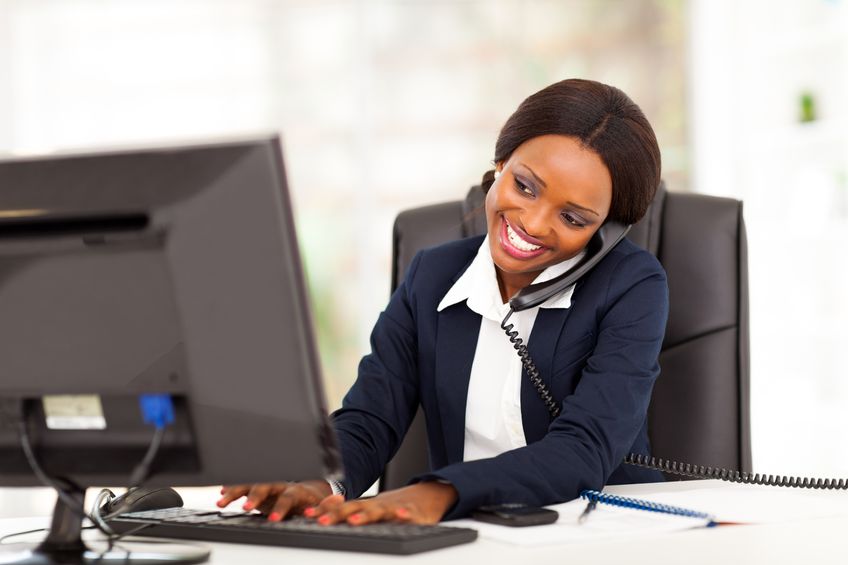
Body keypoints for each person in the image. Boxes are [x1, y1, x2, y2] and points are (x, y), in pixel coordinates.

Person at [217, 78, 669, 526]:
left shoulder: (632, 286)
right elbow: (370, 416)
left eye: (572, 217)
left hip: (604, 533)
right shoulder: (431, 276)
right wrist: (317, 482)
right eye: (525, 186)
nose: (532, 222)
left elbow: (583, 449)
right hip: (471, 536)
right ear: (499, 164)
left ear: (607, 233)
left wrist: (439, 493)